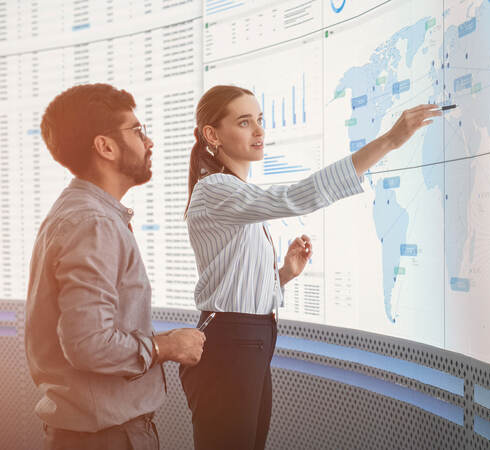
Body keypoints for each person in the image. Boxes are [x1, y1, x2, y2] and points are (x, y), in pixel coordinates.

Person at [179, 84, 441, 449]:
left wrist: (283, 273)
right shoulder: (216, 189)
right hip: (231, 345)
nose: (259, 131)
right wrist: (390, 141)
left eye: (260, 120)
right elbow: (296, 197)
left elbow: (233, 282)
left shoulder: (234, 192)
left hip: (248, 339)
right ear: (212, 134)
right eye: (243, 122)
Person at [25, 83, 206, 450]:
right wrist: (166, 347)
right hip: (105, 439)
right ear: (104, 146)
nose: (150, 142)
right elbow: (89, 343)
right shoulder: (94, 223)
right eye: (138, 131)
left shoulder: (79, 213)